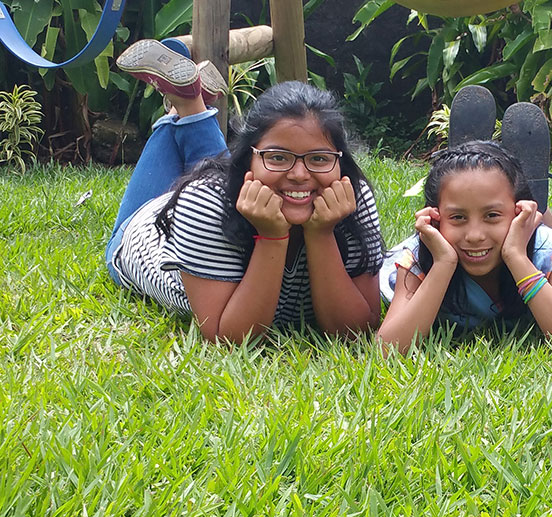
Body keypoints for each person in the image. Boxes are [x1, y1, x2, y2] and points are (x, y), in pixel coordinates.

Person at [105, 40, 384, 343]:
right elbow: (231, 338)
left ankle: (189, 102)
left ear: (340, 162)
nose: (301, 175)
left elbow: (356, 331)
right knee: (209, 178)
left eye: (319, 159)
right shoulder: (202, 204)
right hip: (142, 232)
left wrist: (321, 234)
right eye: (278, 157)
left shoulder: (349, 198)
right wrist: (273, 236)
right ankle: (186, 106)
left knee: (237, 171)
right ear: (248, 158)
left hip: (235, 182)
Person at [376, 140, 552, 353]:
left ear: (518, 213)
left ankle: (539, 212)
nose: (475, 235)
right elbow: (387, 349)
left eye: (491, 215)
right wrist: (443, 264)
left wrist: (517, 257)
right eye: (458, 217)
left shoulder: (550, 253)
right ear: (435, 218)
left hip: (531, 247)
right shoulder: (419, 255)